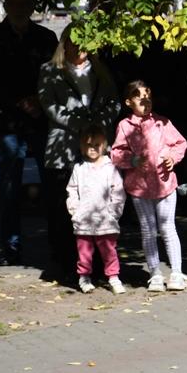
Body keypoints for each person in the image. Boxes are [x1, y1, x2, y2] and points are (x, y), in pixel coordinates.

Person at [0, 0, 59, 265]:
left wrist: (39, 100)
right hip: (10, 121)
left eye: (25, 2)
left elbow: (53, 73)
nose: (19, 7)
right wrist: (18, 101)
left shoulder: (46, 37)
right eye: (14, 3)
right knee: (10, 187)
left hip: (40, 119)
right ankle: (11, 249)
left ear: (32, 6)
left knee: (52, 186)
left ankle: (57, 244)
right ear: (6, 5)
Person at [38, 25, 121, 282]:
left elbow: (114, 102)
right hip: (63, 147)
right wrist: (79, 125)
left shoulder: (100, 70)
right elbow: (49, 105)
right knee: (64, 209)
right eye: (73, 42)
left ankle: (97, 266)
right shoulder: (50, 70)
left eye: (84, 42)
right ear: (65, 44)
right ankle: (64, 264)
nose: (79, 48)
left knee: (98, 204)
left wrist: (99, 125)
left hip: (96, 148)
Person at [111, 80, 187, 292]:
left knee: (168, 227)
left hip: (164, 183)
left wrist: (172, 157)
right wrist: (132, 160)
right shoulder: (124, 126)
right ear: (128, 102)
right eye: (139, 97)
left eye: (148, 97)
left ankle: (177, 273)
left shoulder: (162, 122)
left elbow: (180, 143)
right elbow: (116, 153)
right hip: (139, 187)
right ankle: (154, 273)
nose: (145, 100)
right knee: (148, 230)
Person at [66, 128, 126, 294]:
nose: (92, 148)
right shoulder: (79, 168)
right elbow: (72, 190)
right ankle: (84, 277)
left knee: (109, 251)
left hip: (106, 219)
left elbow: (118, 191)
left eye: (97, 144)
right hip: (83, 219)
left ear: (105, 146)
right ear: (82, 147)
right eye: (88, 145)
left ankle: (113, 277)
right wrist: (75, 210)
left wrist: (114, 212)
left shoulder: (110, 168)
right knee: (84, 251)